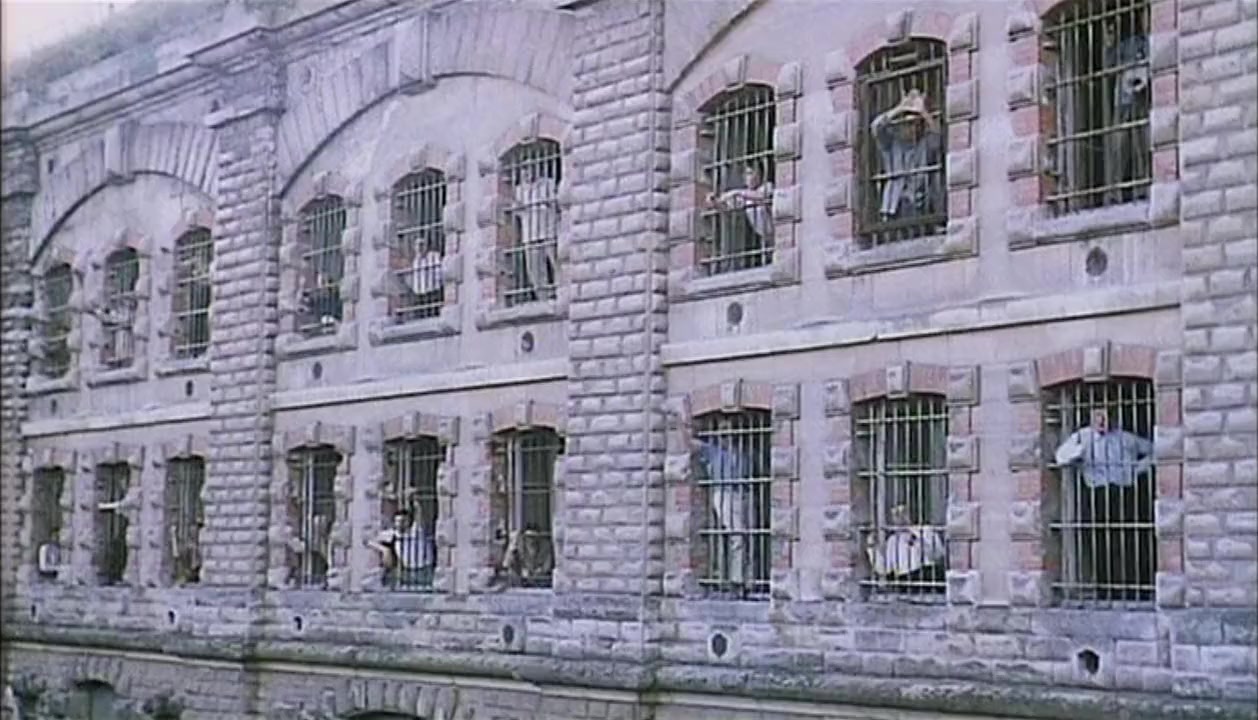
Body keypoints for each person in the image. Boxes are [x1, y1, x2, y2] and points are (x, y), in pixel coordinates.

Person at [1054, 408, 1155, 599]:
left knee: (1127, 540)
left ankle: (1132, 588)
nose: (1101, 421)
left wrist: (1136, 470)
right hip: (1096, 494)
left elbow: (1155, 450)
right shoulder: (1082, 437)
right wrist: (1078, 453)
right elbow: (1060, 457)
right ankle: (1105, 589)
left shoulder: (1125, 438)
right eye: (1097, 416)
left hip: (1122, 494)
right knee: (1098, 540)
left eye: (1105, 416)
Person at [870, 88, 942, 222]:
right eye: (909, 124)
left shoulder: (924, 143)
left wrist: (923, 112)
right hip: (893, 205)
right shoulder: (891, 143)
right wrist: (900, 108)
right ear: (901, 124)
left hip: (918, 204)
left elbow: (937, 138)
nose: (913, 128)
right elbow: (876, 126)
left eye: (917, 124)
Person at [706, 161, 774, 272]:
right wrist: (715, 202)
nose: (747, 178)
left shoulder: (767, 186)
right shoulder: (745, 196)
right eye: (745, 174)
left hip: (775, 232)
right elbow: (727, 208)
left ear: (760, 174)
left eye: (750, 173)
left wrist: (736, 192)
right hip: (765, 238)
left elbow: (761, 196)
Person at [513, 162, 560, 301]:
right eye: (523, 170)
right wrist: (517, 207)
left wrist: (548, 203)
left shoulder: (548, 183)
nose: (526, 173)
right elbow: (517, 212)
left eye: (529, 169)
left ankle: (560, 289)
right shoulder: (519, 190)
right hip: (530, 233)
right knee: (534, 268)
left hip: (548, 230)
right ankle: (543, 296)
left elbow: (556, 204)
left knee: (556, 262)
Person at [370, 508, 433, 588]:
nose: (400, 524)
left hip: (424, 570)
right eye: (397, 521)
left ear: (410, 522)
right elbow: (368, 541)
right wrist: (385, 550)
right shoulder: (392, 533)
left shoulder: (418, 531)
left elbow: (420, 516)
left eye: (404, 521)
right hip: (406, 571)